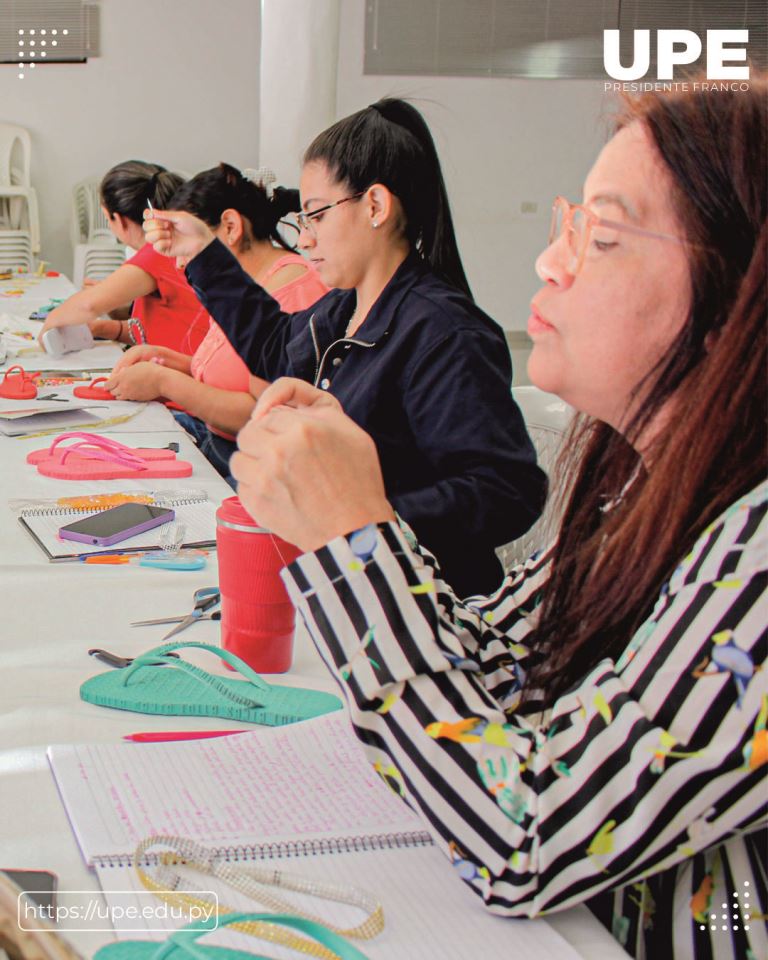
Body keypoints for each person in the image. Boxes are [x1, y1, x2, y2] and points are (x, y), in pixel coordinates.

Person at [228, 81, 767, 960]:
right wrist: (346, 524)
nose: (550, 264)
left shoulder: (758, 548)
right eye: (567, 226)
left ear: (739, 294)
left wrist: (355, 537)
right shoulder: (644, 487)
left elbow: (529, 835)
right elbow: (506, 662)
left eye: (603, 235)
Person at [142, 98, 546, 597]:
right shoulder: (345, 308)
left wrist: (361, 518)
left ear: (375, 205)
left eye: (315, 216)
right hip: (345, 577)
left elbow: (506, 491)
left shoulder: (443, 331)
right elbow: (273, 346)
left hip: (419, 601)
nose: (305, 240)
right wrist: (203, 250)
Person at [102, 163, 328, 483]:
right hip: (217, 446)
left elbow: (261, 412)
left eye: (184, 243)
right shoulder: (242, 284)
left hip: (247, 466)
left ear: (231, 226)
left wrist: (164, 381)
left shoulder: (294, 291)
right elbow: (233, 374)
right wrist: (170, 362)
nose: (178, 263)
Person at [40, 161, 209, 354]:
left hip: (188, 374)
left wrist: (48, 327)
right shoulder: (175, 245)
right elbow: (163, 327)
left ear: (118, 219)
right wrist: (104, 329)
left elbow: (88, 305)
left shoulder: (159, 252)